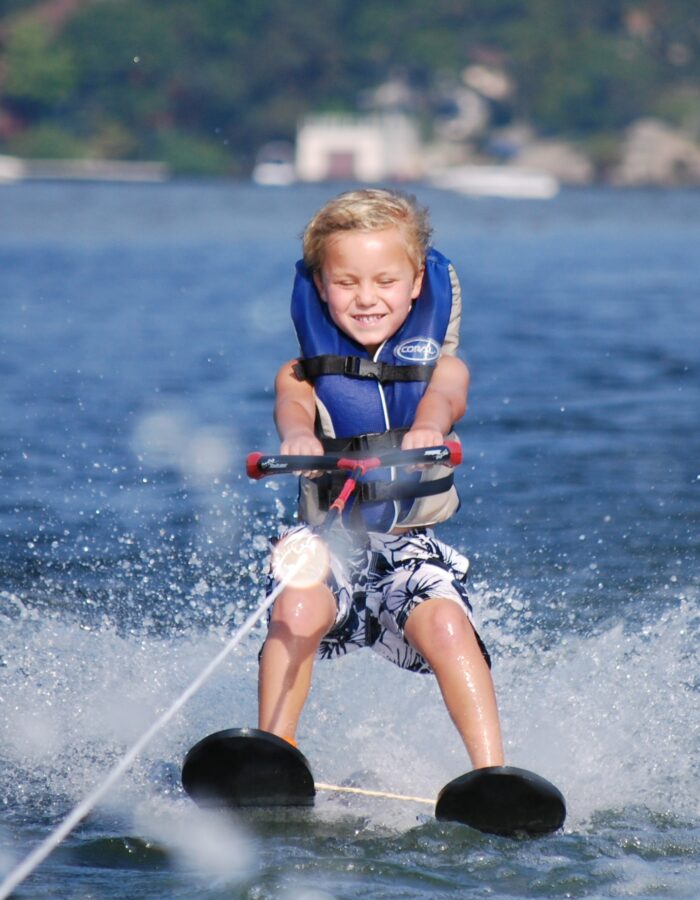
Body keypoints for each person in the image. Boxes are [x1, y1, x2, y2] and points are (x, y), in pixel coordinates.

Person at [258, 188, 504, 771]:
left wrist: (428, 427)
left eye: (385, 282)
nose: (366, 299)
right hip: (329, 540)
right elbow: (292, 406)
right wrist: (298, 437)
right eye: (347, 283)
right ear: (321, 286)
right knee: (296, 602)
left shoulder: (444, 367)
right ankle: (270, 758)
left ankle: (492, 774)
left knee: (446, 622)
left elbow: (446, 400)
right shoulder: (301, 373)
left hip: (407, 547)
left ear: (417, 283)